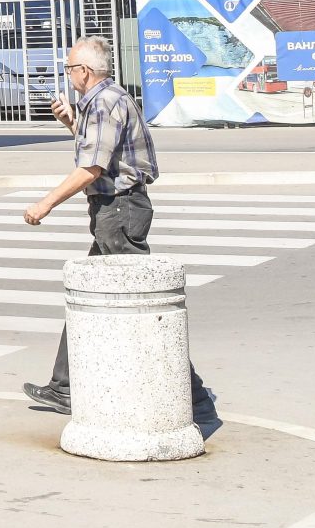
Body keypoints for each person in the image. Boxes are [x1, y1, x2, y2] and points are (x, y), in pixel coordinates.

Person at [21, 36, 221, 430]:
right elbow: (101, 149)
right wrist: (70, 124)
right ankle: (65, 386)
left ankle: (194, 398)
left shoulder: (104, 101)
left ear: (84, 72)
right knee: (86, 301)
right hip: (113, 210)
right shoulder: (103, 100)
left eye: (69, 68)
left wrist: (45, 203)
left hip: (120, 210)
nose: (67, 74)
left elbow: (92, 169)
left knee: (147, 307)